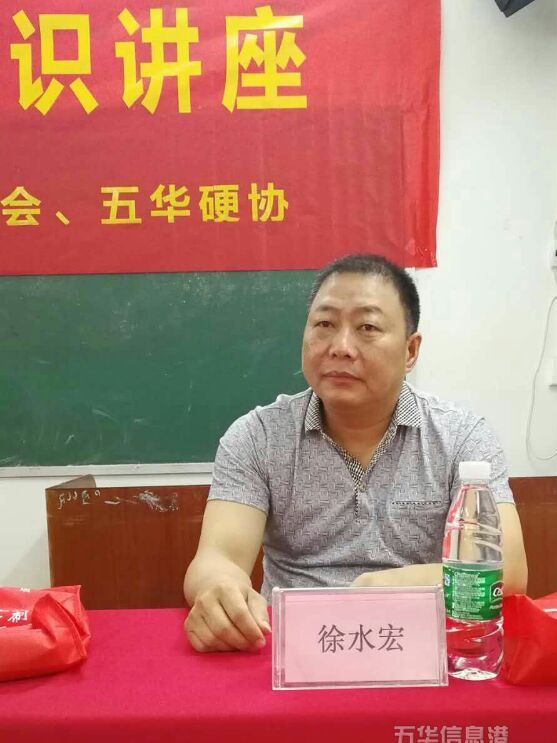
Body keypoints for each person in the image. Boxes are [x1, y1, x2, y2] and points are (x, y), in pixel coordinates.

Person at [184, 254, 528, 653]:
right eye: (324, 324)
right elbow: (218, 556)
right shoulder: (258, 436)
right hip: (294, 649)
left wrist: (379, 589)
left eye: (367, 327)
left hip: (417, 645)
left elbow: (507, 567)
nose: (340, 347)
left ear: (411, 350)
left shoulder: (461, 437)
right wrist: (219, 587)